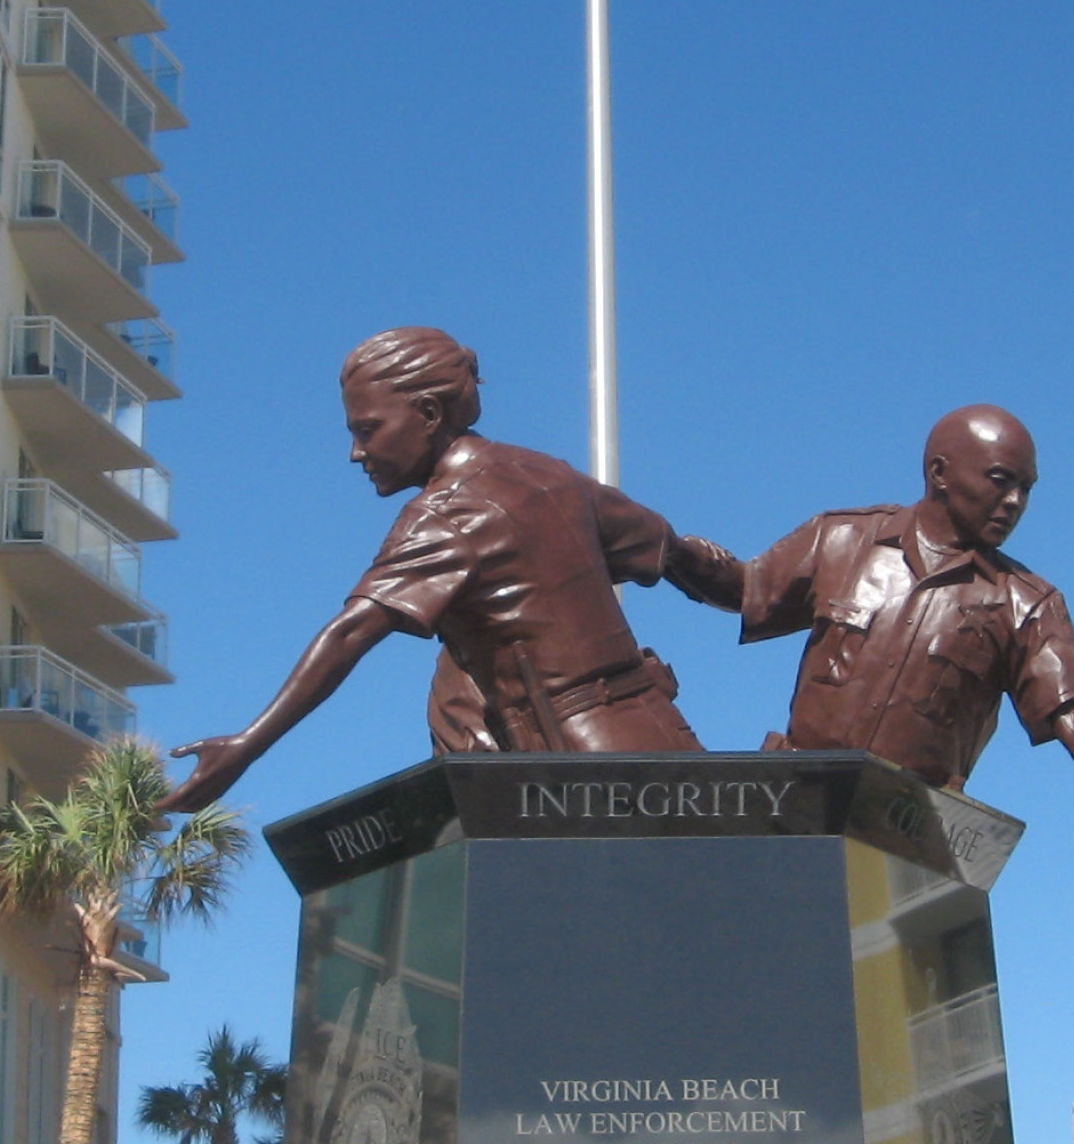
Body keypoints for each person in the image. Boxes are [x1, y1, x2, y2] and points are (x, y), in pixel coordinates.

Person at [165, 327, 740, 811]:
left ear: (429, 413)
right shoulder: (552, 474)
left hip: (578, 774)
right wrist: (779, 593)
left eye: (368, 430)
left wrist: (246, 745)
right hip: (665, 742)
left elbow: (350, 633)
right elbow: (680, 556)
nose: (356, 453)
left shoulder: (446, 512)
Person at [730, 405, 1074, 877]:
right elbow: (745, 588)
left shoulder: (1026, 603)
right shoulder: (843, 539)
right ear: (940, 472)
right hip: (793, 805)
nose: (1014, 501)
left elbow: (1070, 707)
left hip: (906, 837)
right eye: (1000, 480)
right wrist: (661, 545)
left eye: (1025, 489)